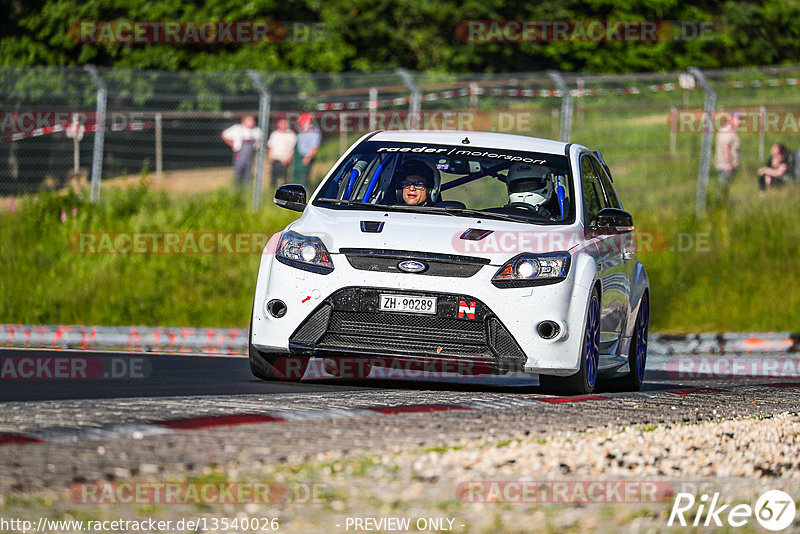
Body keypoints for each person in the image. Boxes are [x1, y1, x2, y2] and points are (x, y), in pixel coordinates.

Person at [221, 115, 262, 187]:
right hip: (240, 153)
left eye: (253, 120)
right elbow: (224, 135)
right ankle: (236, 187)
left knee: (248, 172)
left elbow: (259, 140)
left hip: (250, 154)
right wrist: (231, 143)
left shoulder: (256, 130)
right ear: (244, 121)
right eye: (249, 120)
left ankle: (246, 188)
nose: (252, 122)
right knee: (238, 171)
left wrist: (257, 144)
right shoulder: (236, 128)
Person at [714, 112, 741, 202]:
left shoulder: (731, 130)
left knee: (725, 186)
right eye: (738, 119)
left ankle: (723, 202)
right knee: (723, 186)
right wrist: (730, 164)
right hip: (726, 165)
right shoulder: (727, 131)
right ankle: (718, 203)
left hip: (728, 165)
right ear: (731, 118)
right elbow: (725, 148)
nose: (740, 122)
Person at [293, 113, 321, 187]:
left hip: (306, 156)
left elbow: (315, 147)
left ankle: (303, 189)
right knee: (296, 174)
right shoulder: (301, 131)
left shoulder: (314, 132)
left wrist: (308, 158)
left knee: (304, 176)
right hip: (298, 156)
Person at [267, 118, 297, 186]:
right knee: (273, 177)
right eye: (281, 123)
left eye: (284, 123)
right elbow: (270, 146)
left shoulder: (291, 135)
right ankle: (272, 189)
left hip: (285, 159)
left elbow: (293, 149)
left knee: (284, 178)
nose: (283, 125)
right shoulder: (274, 134)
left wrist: (288, 159)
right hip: (275, 158)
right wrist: (269, 156)